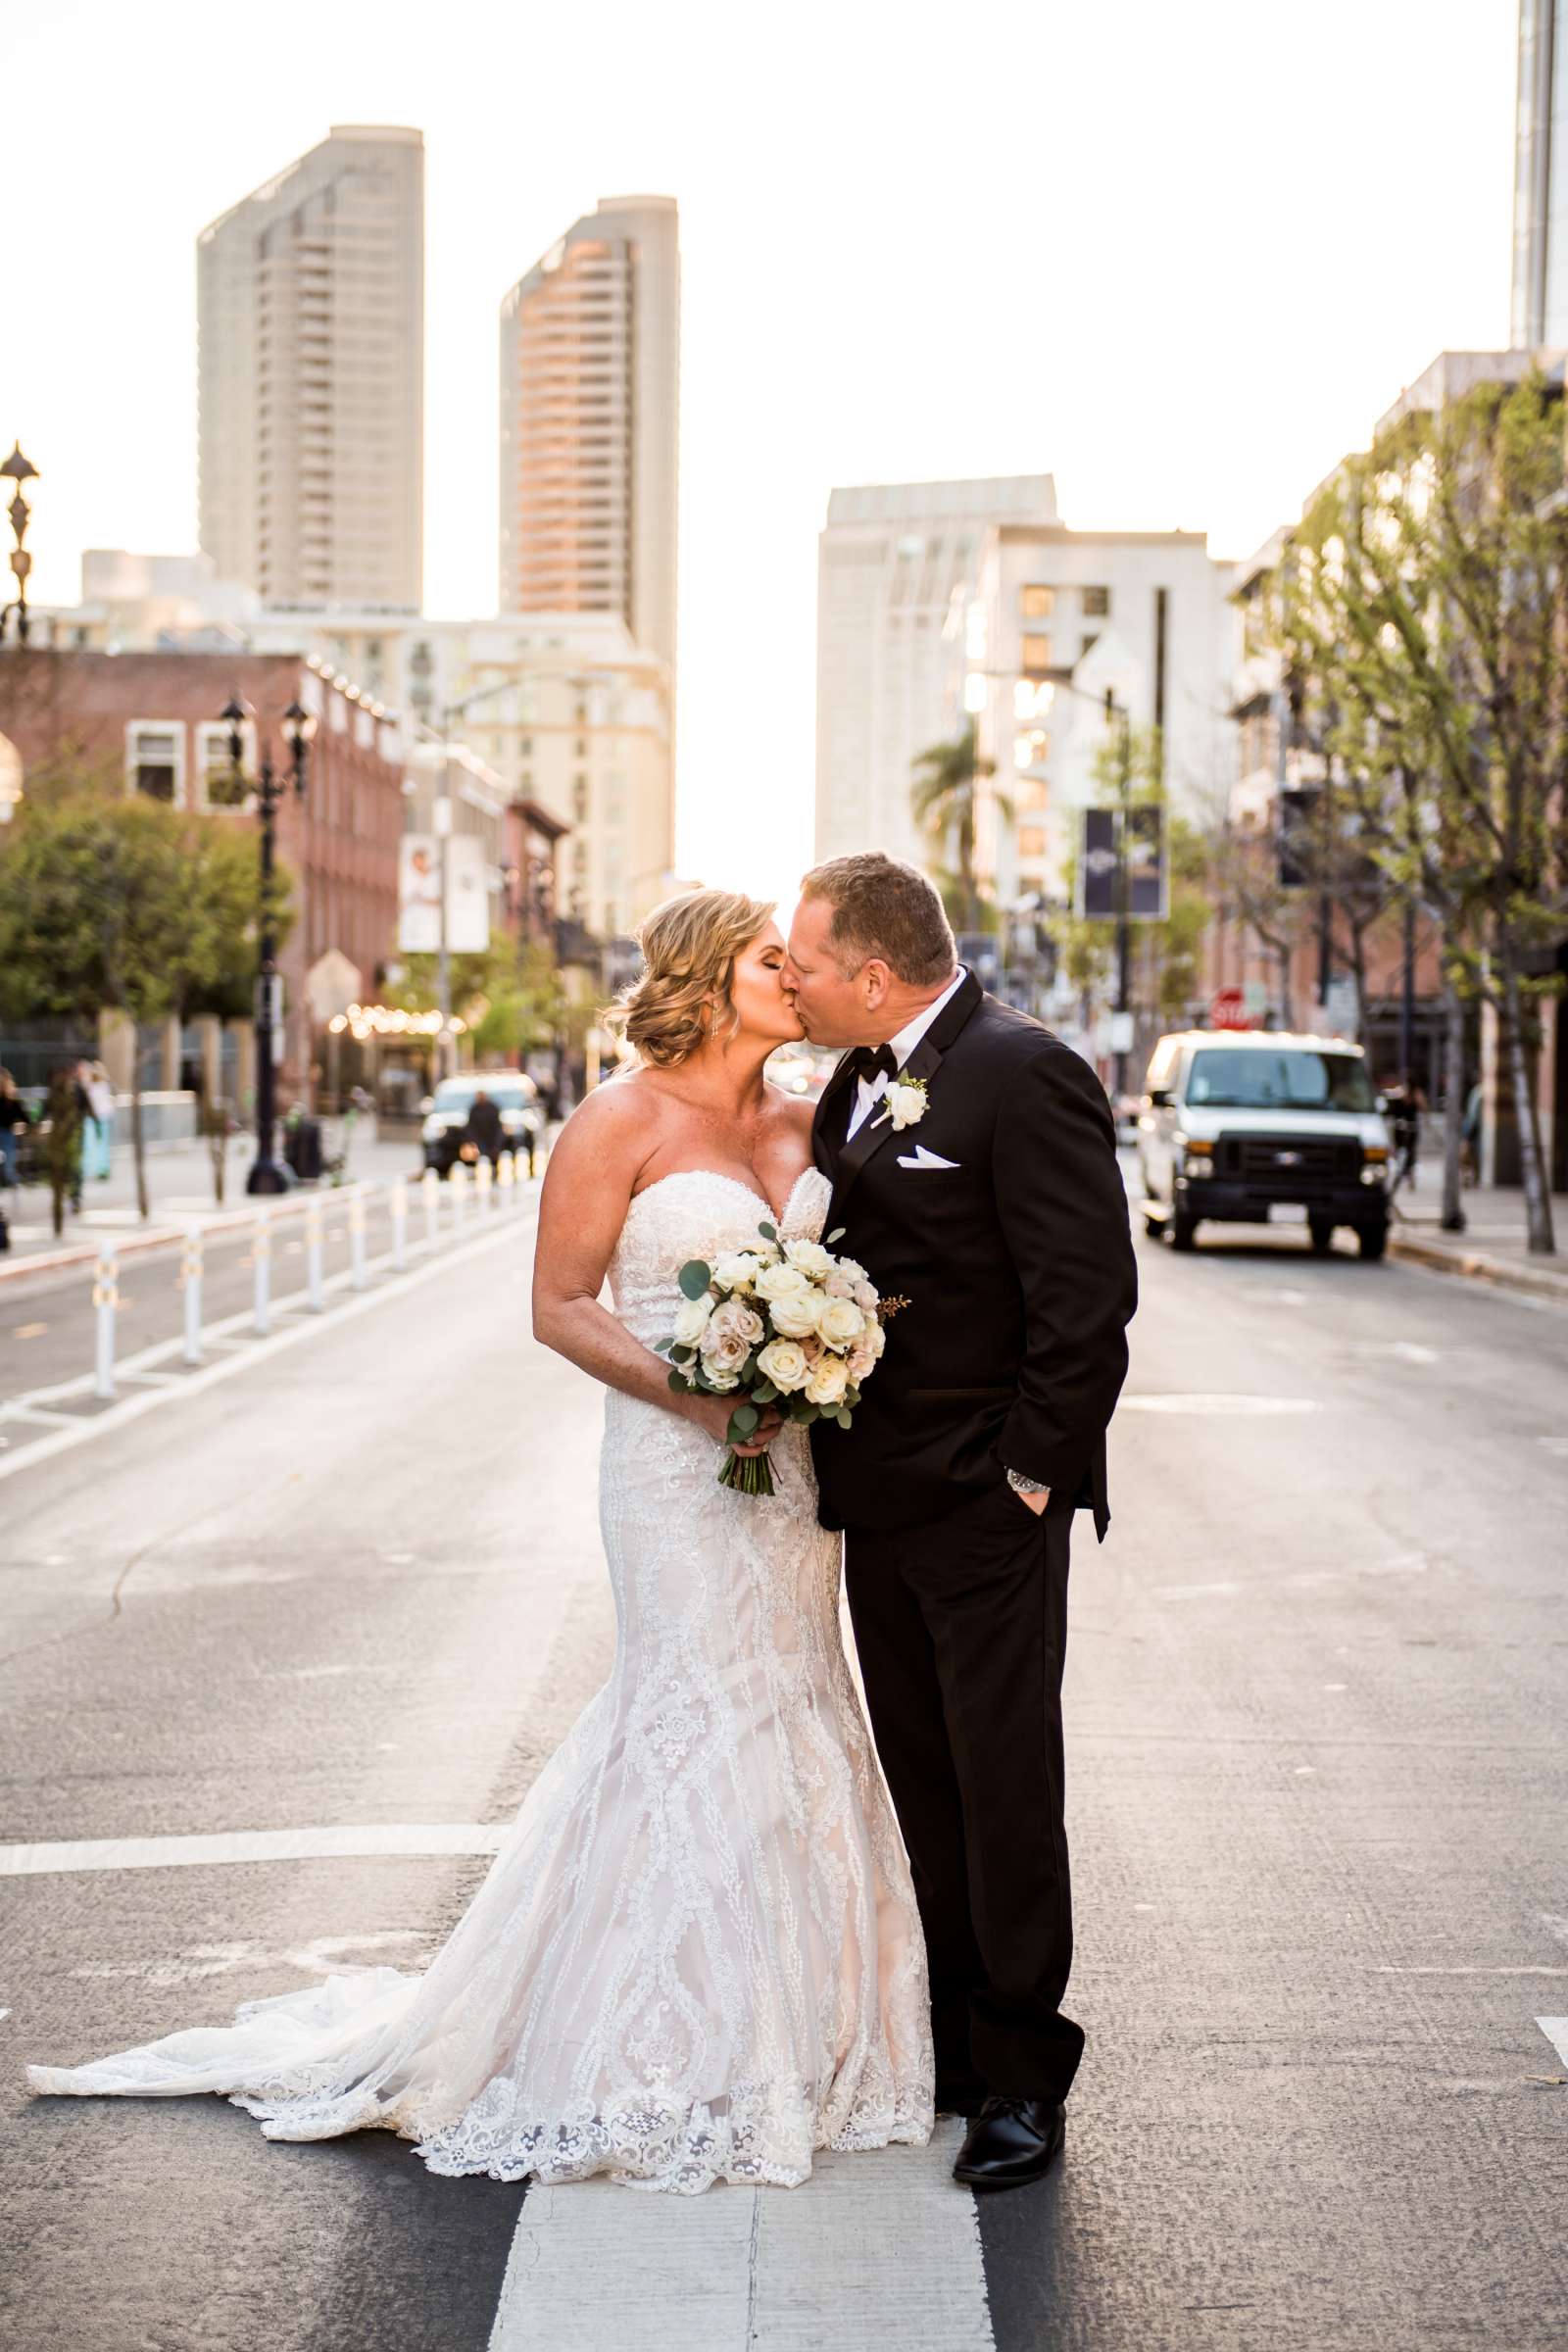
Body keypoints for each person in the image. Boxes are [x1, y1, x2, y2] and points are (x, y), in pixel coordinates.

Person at [25, 890, 934, 2192]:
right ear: (700, 974)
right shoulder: (615, 1122)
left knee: (792, 1708)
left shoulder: (811, 1120)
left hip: (790, 1479)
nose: (795, 977)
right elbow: (559, 1307)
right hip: (675, 1474)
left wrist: (828, 1347)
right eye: (768, 960)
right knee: (689, 1710)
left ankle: (803, 2034)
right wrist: (704, 1395)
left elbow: (865, 1274)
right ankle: (652, 2038)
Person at [782, 853, 1138, 2191]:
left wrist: (1028, 1481)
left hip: (987, 1506)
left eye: (807, 962)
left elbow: (1086, 1300)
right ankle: (950, 2040)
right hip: (875, 1500)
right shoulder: (855, 1078)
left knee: (1005, 1786)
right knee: (925, 1780)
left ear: (874, 972)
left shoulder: (1022, 1069)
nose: (795, 982)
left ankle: (1022, 2081)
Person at [81, 1060, 116, 1182]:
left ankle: (100, 1169)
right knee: (95, 1144)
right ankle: (97, 1169)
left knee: (97, 1144)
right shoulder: (97, 1085)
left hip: (99, 1118)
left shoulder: (99, 1086)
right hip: (96, 1118)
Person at [460, 1084, 505, 1169]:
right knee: (481, 1154)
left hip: (492, 1136)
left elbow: (497, 1125)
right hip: (479, 1137)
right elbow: (471, 1126)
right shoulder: (474, 1109)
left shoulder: (493, 1108)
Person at [0, 1067, 24, 1191]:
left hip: (7, 1133)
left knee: (8, 1162)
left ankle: (10, 1178)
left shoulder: (11, 1100)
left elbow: (22, 1115)